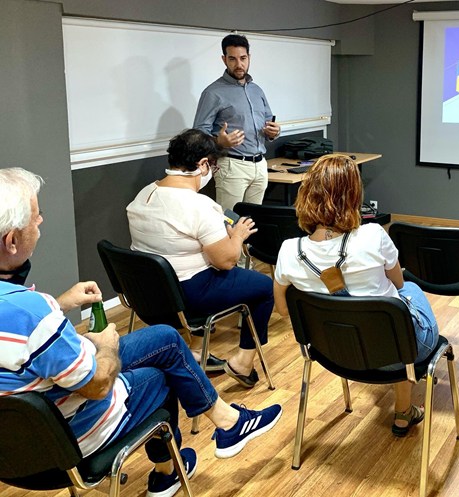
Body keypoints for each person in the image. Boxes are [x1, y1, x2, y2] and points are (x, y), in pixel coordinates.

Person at [0, 167, 282, 497]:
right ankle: (170, 471)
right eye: (35, 217)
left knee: (165, 338)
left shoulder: (28, 310)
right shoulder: (33, 312)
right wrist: (106, 346)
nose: (41, 221)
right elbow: (96, 385)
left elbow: (19, 335)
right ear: (12, 241)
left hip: (9, 447)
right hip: (59, 443)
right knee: (163, 376)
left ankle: (227, 422)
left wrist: (59, 305)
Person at [273, 154, 439, 437]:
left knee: (389, 312)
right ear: (354, 196)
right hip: (395, 352)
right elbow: (398, 282)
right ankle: (403, 412)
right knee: (408, 291)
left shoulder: (289, 250)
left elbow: (283, 309)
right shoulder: (374, 235)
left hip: (331, 353)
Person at [127, 129, 274, 389]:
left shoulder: (144, 194)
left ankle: (195, 351)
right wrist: (238, 236)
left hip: (147, 295)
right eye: (213, 167)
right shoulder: (199, 206)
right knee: (264, 287)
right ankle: (243, 362)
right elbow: (226, 261)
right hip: (188, 296)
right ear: (203, 164)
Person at [193, 34, 281, 211]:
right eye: (232, 59)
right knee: (229, 220)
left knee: (254, 220)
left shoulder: (257, 90)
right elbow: (198, 134)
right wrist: (219, 142)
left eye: (243, 58)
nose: (239, 64)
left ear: (249, 58)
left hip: (260, 165)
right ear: (224, 59)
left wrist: (274, 132)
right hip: (232, 165)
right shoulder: (213, 92)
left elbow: (268, 122)